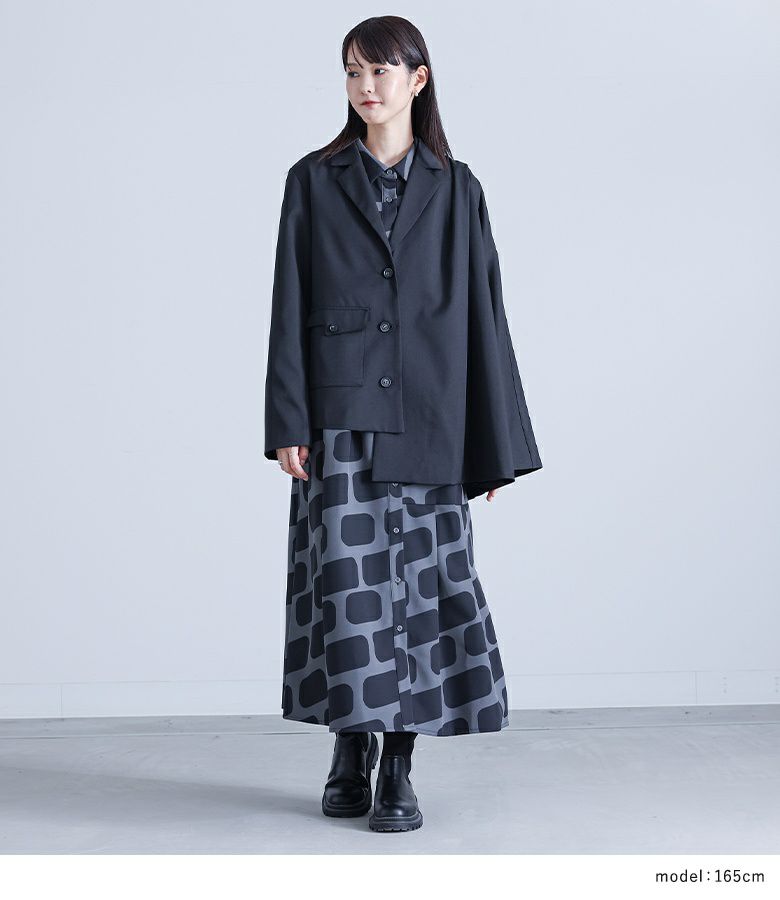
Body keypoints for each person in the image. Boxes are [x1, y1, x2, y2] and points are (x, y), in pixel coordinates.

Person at [264, 16, 543, 833]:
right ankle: (349, 747)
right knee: (347, 592)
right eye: (353, 72)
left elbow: (485, 318)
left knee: (423, 596)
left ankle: (399, 765)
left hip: (431, 417)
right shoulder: (313, 181)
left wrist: (492, 443)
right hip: (340, 417)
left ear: (418, 79)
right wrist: (288, 419)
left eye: (380, 71)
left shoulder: (459, 189)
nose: (365, 87)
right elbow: (288, 303)